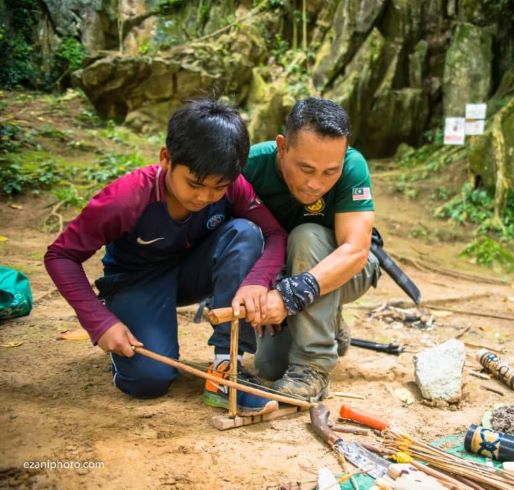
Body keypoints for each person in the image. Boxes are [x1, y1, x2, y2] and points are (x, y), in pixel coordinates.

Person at [44, 99, 287, 416]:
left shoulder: (233, 187)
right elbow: (61, 256)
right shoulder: (125, 199)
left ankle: (226, 371)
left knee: (244, 232)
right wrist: (99, 322)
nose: (203, 197)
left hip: (191, 274)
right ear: (165, 159)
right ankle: (129, 330)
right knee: (149, 382)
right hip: (137, 281)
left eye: (218, 188)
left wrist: (257, 281)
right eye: (194, 184)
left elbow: (275, 234)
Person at [243, 97, 381, 402]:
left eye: (329, 172)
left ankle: (313, 367)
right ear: (282, 146)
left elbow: (356, 251)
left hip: (349, 272)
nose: (315, 184)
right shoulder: (250, 166)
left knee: (306, 236)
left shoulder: (352, 166)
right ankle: (328, 322)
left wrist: (290, 296)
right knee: (270, 366)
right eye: (305, 168)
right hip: (278, 274)